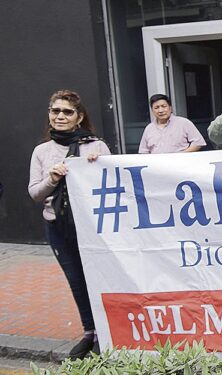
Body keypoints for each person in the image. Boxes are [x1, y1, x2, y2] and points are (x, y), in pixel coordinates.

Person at [28, 90, 111, 359]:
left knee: (99, 279)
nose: (60, 116)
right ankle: (90, 332)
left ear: (79, 117)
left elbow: (112, 184)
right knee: (76, 280)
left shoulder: (96, 146)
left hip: (93, 227)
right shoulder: (42, 151)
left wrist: (97, 168)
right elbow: (35, 193)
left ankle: (107, 333)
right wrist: (52, 177)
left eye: (67, 112)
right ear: (49, 115)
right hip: (59, 228)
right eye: (55, 111)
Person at [138, 94, 206, 154]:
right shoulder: (149, 128)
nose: (160, 110)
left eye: (164, 106)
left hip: (180, 164)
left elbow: (198, 142)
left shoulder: (183, 123)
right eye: (156, 108)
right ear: (152, 111)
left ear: (170, 108)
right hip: (157, 166)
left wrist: (182, 155)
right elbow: (143, 152)